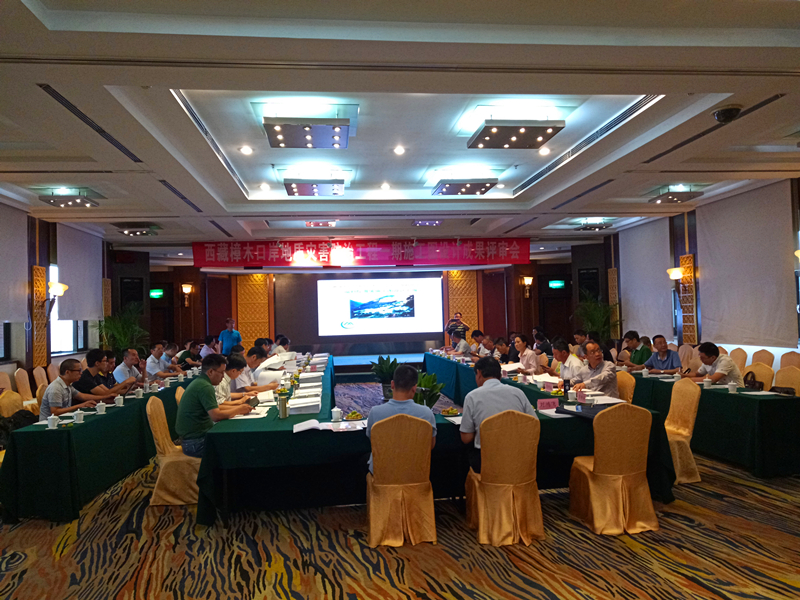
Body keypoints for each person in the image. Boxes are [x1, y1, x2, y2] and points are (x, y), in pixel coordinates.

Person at [460, 356, 537, 473]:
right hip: (519, 461)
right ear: (500, 374)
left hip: (487, 463)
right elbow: (534, 425)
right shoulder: (518, 393)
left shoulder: (472, 397)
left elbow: (466, 438)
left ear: (479, 373)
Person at [175, 354, 254, 458]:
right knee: (239, 445)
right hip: (196, 443)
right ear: (211, 372)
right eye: (221, 372)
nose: (223, 376)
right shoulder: (205, 386)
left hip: (195, 439)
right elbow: (216, 416)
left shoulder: (201, 382)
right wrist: (238, 410)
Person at [365, 364, 436, 474]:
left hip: (383, 475)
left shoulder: (375, 412)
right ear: (414, 388)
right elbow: (430, 445)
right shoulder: (427, 413)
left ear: (392, 384)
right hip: (416, 474)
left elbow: (373, 442)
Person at [39, 359, 110, 420]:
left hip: (62, 420)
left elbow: (82, 396)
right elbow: (55, 412)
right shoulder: (56, 388)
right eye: (78, 371)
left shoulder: (68, 385)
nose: (81, 373)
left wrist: (106, 397)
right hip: (49, 424)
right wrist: (80, 405)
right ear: (67, 372)